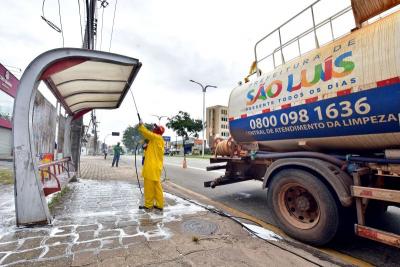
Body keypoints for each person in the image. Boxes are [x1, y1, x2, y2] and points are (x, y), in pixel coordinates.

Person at [138, 121, 165, 211]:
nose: (153, 129)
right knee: (157, 188)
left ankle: (148, 205)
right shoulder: (158, 140)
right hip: (156, 168)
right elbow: (150, 151)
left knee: (149, 188)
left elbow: (146, 133)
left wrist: (141, 125)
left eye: (155, 129)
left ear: (156, 131)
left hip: (151, 168)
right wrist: (146, 147)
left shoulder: (156, 138)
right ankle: (159, 204)